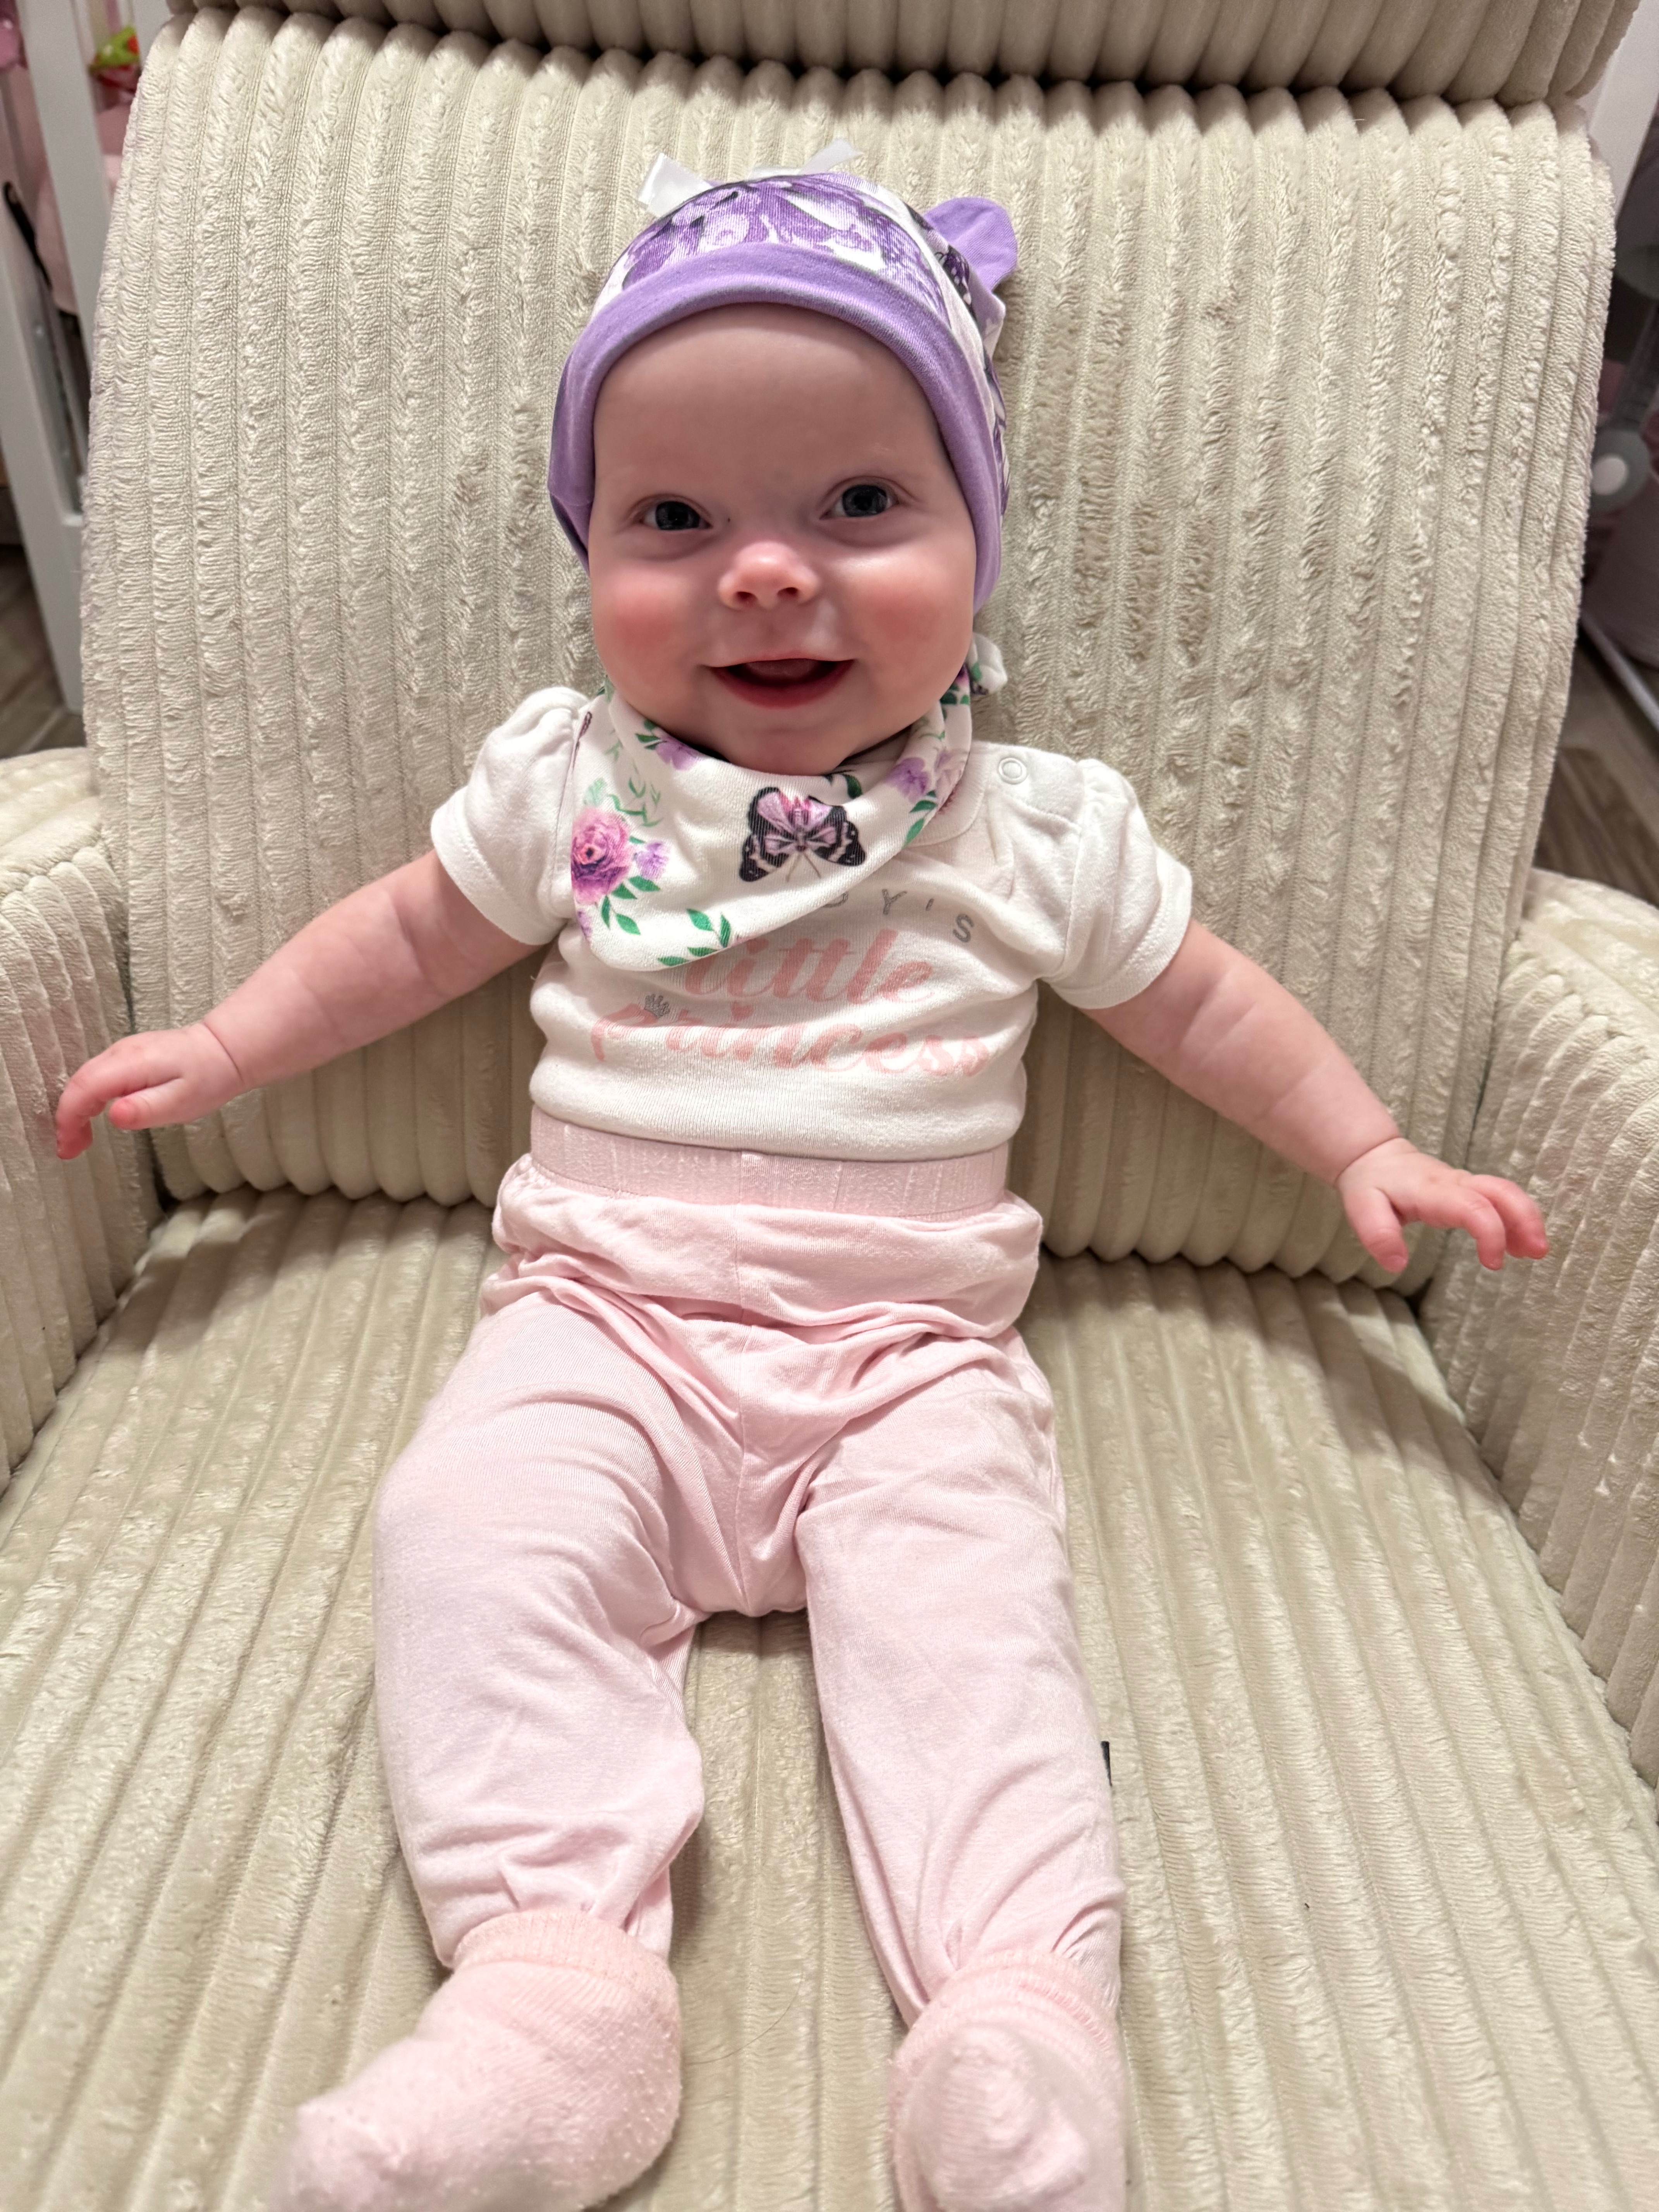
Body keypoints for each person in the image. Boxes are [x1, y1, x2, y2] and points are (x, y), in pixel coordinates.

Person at [55, 155, 1547, 2212]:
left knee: (978, 1628)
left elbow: (1201, 1003)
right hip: (600, 1328)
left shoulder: (1020, 827)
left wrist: (1365, 1142)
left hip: (903, 1366)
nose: (764, 576)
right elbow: (407, 936)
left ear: (979, 544)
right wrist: (228, 1047)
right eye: (674, 520)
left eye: (858, 505)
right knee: (461, 1534)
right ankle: (554, 1992)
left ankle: (1017, 2022)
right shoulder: (576, 789)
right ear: (590, 553)